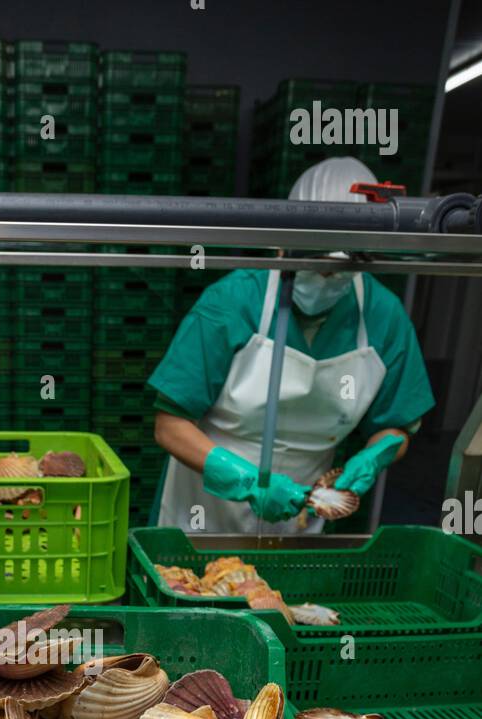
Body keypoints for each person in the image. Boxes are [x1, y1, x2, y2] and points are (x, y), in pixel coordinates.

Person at [148, 156, 435, 535]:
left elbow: (396, 428)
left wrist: (371, 459)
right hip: (204, 512)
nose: (327, 276)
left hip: (304, 516)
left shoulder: (384, 317)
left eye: (342, 268)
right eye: (315, 260)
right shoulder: (234, 301)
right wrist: (247, 482)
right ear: (283, 243)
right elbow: (169, 425)